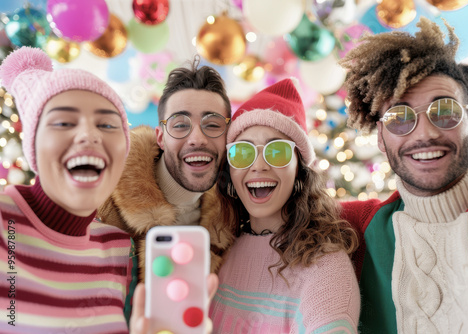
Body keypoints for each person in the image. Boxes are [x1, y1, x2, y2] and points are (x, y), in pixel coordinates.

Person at [338, 18, 468, 333]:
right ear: (381, 139)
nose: (425, 133)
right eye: (400, 117)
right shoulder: (359, 229)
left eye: (445, 112)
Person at [209, 78, 360, 333]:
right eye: (242, 152)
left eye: (277, 151)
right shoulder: (218, 249)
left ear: (300, 171)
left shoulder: (325, 267)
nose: (258, 165)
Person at [0, 46, 132, 333]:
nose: (89, 134)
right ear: (33, 146)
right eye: (62, 122)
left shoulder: (118, 248)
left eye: (108, 124)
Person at [98, 57, 233, 282]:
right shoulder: (100, 202)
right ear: (161, 137)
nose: (197, 138)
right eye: (180, 125)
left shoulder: (229, 221)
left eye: (212, 125)